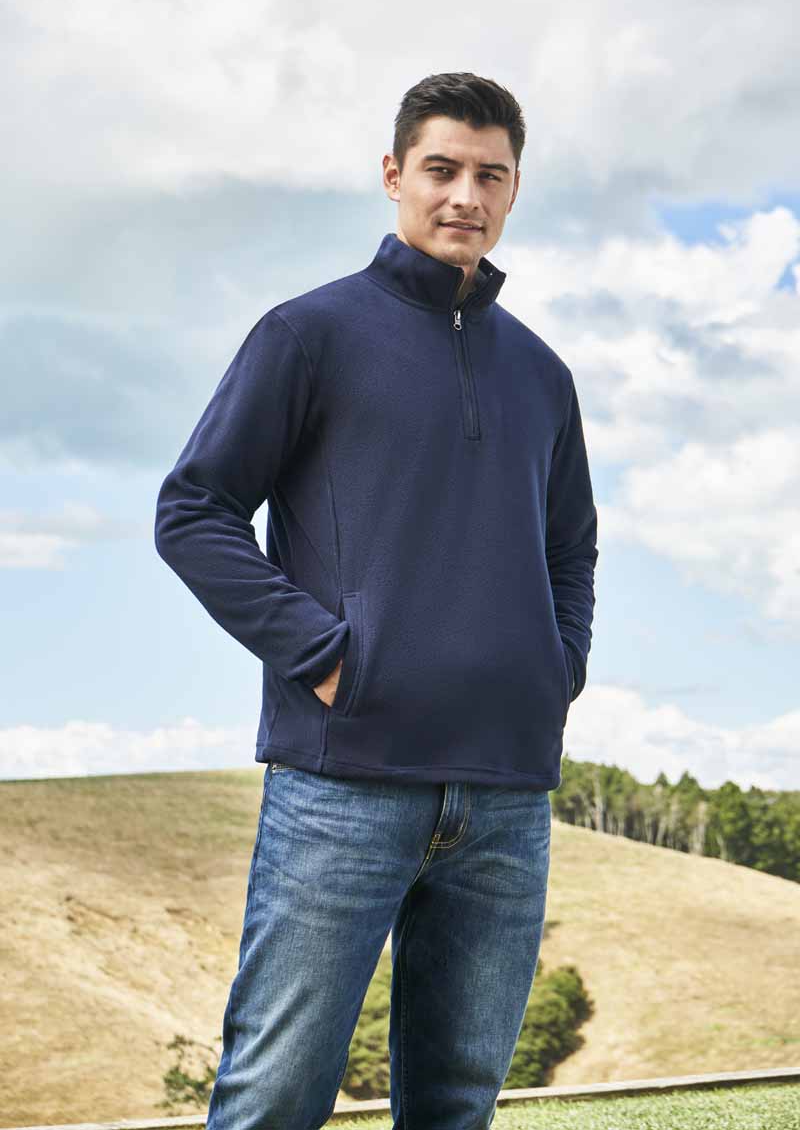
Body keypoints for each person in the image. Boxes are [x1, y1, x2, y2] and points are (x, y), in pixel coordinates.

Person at [154, 70, 598, 1130]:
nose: (465, 196)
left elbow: (570, 550)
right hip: (341, 781)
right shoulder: (307, 335)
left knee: (457, 1105)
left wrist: (554, 671)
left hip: (504, 792)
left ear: (514, 188)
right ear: (394, 175)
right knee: (273, 1097)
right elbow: (193, 510)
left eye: (489, 175)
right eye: (441, 169)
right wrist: (323, 654)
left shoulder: (542, 375)